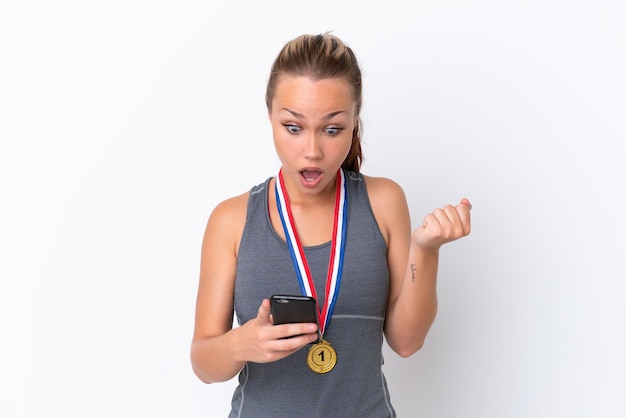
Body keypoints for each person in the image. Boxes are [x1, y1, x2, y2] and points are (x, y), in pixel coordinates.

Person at [190, 33, 472, 417]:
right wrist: (243, 344)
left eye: (332, 129)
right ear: (270, 117)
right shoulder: (232, 219)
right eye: (293, 127)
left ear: (355, 123)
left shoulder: (383, 202)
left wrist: (426, 250)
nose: (312, 150)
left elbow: (407, 342)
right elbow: (203, 363)